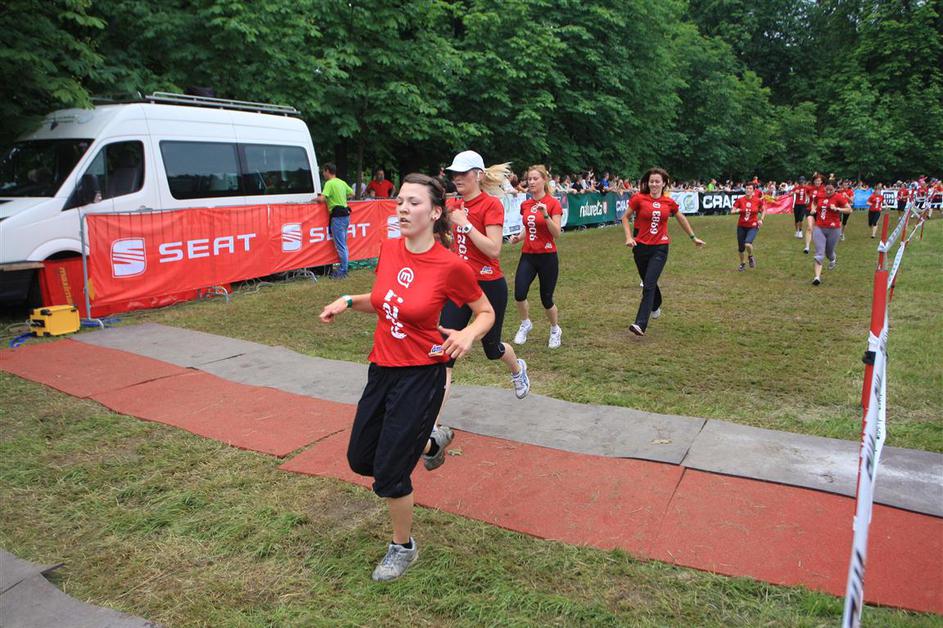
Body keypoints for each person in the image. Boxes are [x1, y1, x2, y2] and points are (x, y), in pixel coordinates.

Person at [319, 173, 495, 582]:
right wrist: (347, 300)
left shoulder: (450, 266)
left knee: (390, 473)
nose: (402, 208)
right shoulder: (390, 248)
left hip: (421, 375)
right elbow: (386, 302)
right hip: (382, 368)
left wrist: (468, 334)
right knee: (361, 458)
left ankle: (403, 547)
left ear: (434, 213)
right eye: (400, 201)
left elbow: (484, 311)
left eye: (414, 202)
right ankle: (430, 441)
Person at [442, 150, 530, 399]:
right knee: (445, 350)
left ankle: (517, 369)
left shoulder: (490, 205)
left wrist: (466, 224)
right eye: (454, 173)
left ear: (478, 175)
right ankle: (431, 418)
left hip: (489, 285)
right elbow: (448, 242)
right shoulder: (452, 206)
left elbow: (493, 249)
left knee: (492, 348)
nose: (457, 178)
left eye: (463, 173)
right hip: (459, 286)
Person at [621, 167, 705, 336]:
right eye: (651, 181)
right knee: (649, 281)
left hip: (660, 248)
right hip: (640, 247)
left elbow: (681, 218)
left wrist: (693, 237)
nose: (654, 184)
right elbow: (625, 217)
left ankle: (640, 324)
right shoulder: (639, 198)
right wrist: (629, 237)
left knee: (648, 284)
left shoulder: (669, 202)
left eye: (657, 181)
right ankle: (656, 304)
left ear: (664, 183)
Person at [509, 164, 564, 348]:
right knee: (519, 294)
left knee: (546, 299)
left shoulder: (553, 203)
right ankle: (525, 323)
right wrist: (518, 237)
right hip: (528, 255)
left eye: (535, 179)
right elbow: (529, 226)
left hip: (547, 257)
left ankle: (555, 329)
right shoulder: (525, 204)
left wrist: (546, 215)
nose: (531, 182)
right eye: (529, 179)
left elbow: (557, 233)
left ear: (544, 180)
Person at [809, 181, 852, 285]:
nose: (828, 191)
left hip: (834, 229)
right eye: (826, 189)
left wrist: (837, 209)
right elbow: (814, 203)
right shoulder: (820, 195)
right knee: (819, 252)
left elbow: (849, 210)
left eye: (831, 190)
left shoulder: (838, 197)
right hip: (819, 227)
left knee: (829, 252)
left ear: (835, 189)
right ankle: (817, 277)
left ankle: (833, 259)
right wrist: (813, 209)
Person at [316, 163, 354, 279]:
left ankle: (343, 271)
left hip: (337, 216)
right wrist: (341, 198)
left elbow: (322, 199)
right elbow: (352, 193)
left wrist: (314, 199)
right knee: (343, 244)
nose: (323, 174)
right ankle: (344, 268)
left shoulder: (329, 183)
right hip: (346, 215)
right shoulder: (341, 182)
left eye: (323, 171)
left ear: (327, 171)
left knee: (341, 245)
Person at [732, 182, 765, 271]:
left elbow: (763, 210)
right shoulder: (740, 200)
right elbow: (732, 210)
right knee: (741, 248)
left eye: (750, 188)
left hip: (753, 226)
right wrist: (737, 210)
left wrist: (761, 219)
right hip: (741, 226)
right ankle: (742, 264)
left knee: (747, 243)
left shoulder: (757, 200)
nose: (748, 190)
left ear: (753, 190)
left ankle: (750, 256)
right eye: (747, 188)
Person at [805, 174, 827, 254]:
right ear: (813, 181)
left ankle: (820, 246)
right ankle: (807, 247)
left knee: (819, 229)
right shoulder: (810, 188)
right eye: (816, 181)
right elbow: (806, 193)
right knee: (809, 227)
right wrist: (807, 199)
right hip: (809, 210)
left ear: (821, 181)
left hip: (820, 211)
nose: (817, 182)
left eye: (819, 181)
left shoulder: (824, 189)